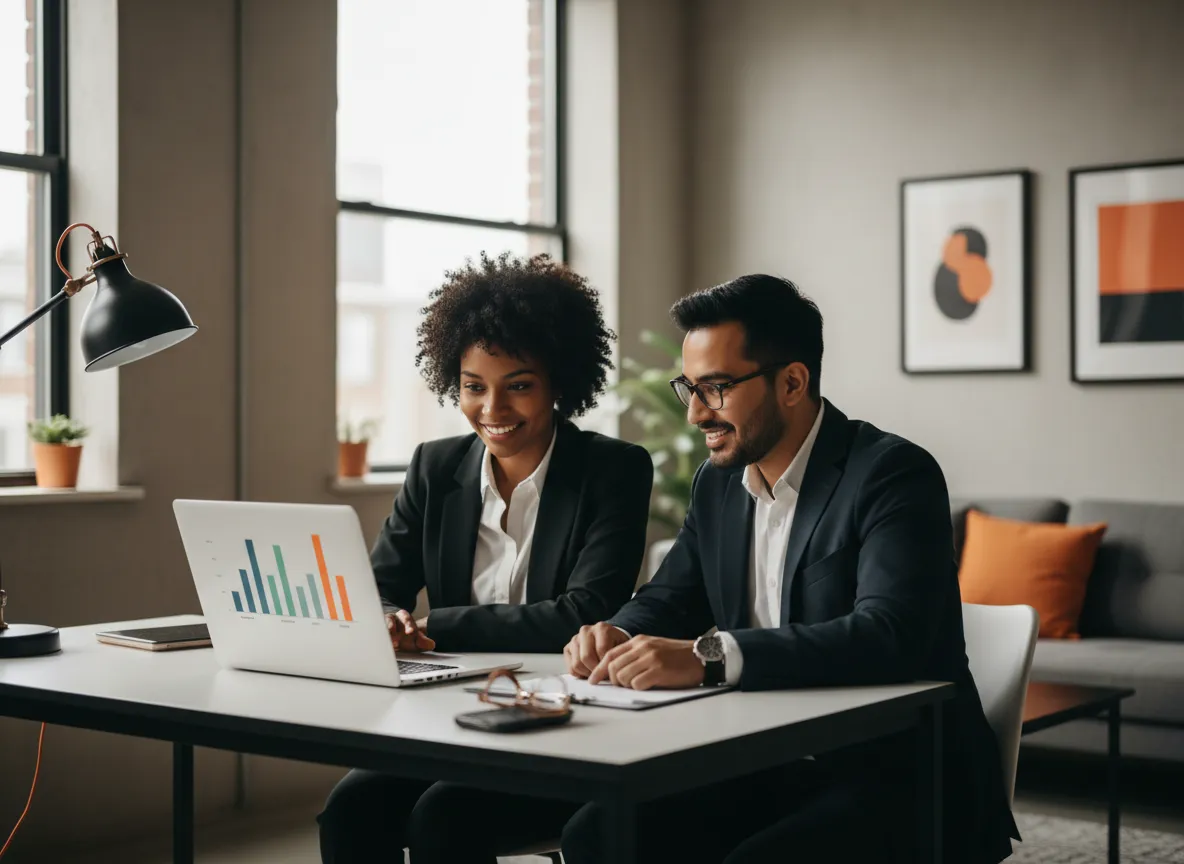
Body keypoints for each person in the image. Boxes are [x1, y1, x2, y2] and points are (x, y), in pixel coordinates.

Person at [560, 274, 1019, 864]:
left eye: (716, 388)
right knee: (595, 834)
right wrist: (616, 632)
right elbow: (672, 594)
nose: (696, 413)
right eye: (689, 388)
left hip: (899, 776)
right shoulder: (718, 483)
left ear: (793, 382)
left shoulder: (891, 474)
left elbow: (890, 633)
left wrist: (710, 658)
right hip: (761, 760)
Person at [317, 251, 654, 864]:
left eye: (518, 386)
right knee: (349, 811)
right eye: (474, 387)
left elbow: (583, 611)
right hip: (453, 716)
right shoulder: (434, 467)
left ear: (559, 384)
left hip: (563, 720)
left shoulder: (613, 471)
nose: (492, 411)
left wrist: (432, 627)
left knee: (443, 820)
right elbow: (375, 587)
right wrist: (389, 616)